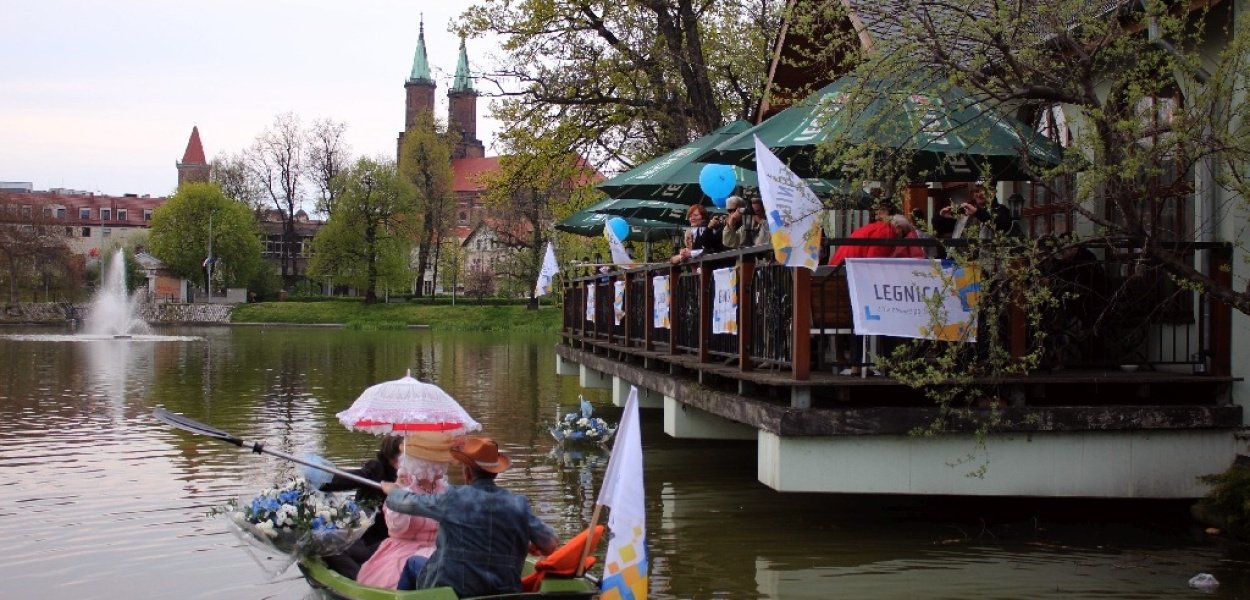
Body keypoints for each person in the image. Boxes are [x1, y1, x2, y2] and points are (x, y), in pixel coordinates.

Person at [382, 437, 559, 597]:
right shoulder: (519, 504)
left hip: (455, 588)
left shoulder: (453, 498)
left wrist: (393, 491)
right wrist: (529, 543)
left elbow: (408, 503)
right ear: (495, 472)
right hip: (506, 590)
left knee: (413, 563)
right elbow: (550, 544)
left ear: (467, 472)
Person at [354, 432, 455, 589]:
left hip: (441, 550)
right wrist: (401, 494)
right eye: (440, 462)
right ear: (426, 465)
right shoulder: (405, 488)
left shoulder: (445, 489)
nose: (446, 465)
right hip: (405, 550)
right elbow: (397, 529)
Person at [318, 434, 403, 579]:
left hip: (389, 541)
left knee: (331, 551)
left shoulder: (414, 476)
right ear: (392, 457)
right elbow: (350, 479)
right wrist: (324, 482)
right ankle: (360, 577)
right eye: (400, 458)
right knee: (328, 546)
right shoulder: (376, 469)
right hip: (371, 535)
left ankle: (361, 581)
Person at [828, 205, 897, 266]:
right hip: (844, 272)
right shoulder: (885, 231)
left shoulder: (872, 228)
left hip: (838, 267)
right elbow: (873, 263)